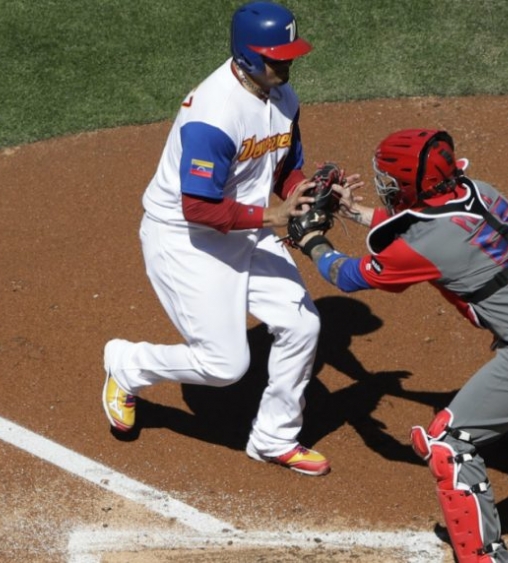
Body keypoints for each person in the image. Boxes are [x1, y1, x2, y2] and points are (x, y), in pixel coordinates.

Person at [291, 129, 508, 562]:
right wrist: (356, 210)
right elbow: (428, 226)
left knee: (447, 441)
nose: (383, 183)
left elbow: (348, 275)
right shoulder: (479, 192)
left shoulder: (424, 247)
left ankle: (482, 556)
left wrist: (312, 240)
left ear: (407, 183)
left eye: (388, 178)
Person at [101, 1, 352, 477]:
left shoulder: (282, 95)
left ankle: (274, 438)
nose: (289, 63)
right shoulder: (214, 116)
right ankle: (126, 365)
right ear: (248, 57)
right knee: (224, 366)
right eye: (279, 56)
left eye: (291, 54)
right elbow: (197, 207)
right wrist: (273, 215)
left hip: (249, 224)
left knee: (303, 326)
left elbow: (285, 162)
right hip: (187, 239)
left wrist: (308, 191)